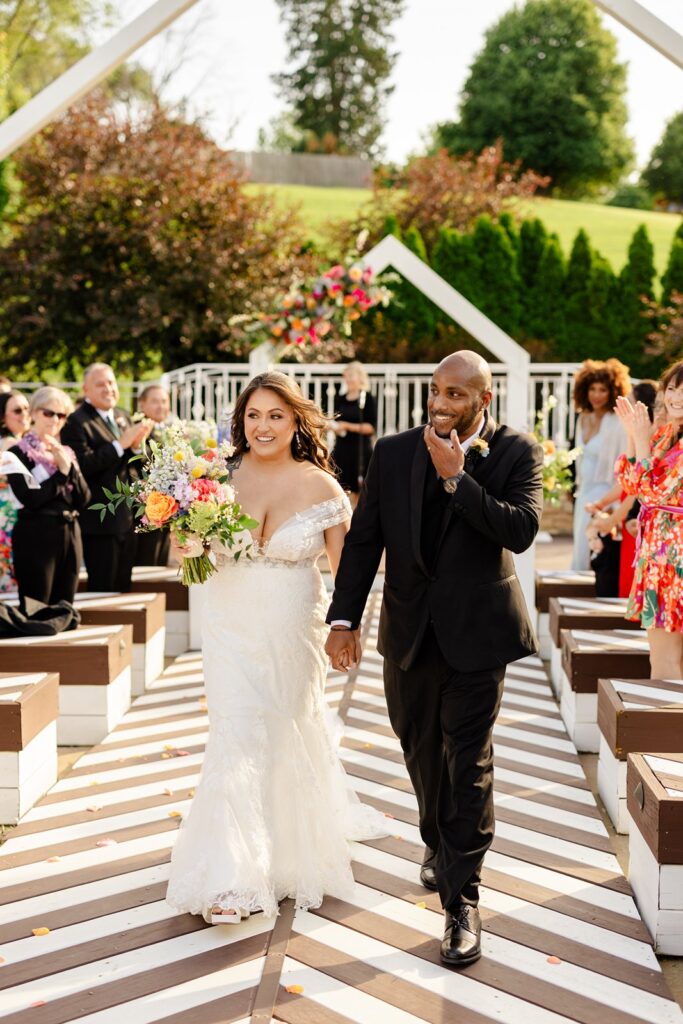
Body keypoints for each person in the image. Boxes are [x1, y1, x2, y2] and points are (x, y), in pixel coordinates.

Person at [325, 351, 543, 968]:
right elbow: (365, 541)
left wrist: (457, 480)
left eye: (456, 395)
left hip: (478, 638)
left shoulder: (516, 452)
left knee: (466, 763)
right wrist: (343, 620)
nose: (441, 404)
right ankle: (437, 845)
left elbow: (521, 529)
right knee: (421, 752)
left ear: (484, 400)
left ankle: (462, 902)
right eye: (435, 392)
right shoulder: (393, 454)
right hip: (409, 635)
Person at [166, 371, 387, 925]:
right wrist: (187, 543)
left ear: (296, 422)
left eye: (276, 416)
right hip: (227, 622)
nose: (262, 426)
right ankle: (234, 875)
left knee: (288, 726)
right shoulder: (211, 478)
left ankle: (287, 850)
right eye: (254, 416)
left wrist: (347, 626)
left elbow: (350, 571)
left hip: (294, 627)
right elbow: (189, 561)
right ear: (240, 421)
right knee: (235, 733)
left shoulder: (322, 487)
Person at [615, 359, 683, 679]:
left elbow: (652, 494)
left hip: (675, 558)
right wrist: (633, 436)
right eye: (672, 388)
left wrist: (641, 439)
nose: (676, 397)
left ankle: (667, 727)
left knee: (667, 660)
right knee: (662, 657)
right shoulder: (667, 434)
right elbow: (630, 483)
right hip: (660, 556)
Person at [61, 363, 153, 592]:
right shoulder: (77, 422)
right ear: (86, 390)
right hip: (99, 522)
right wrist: (119, 445)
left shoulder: (122, 415)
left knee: (124, 588)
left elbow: (133, 464)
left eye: (111, 382)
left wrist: (134, 447)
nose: (108, 388)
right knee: (103, 590)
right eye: (100, 384)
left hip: (128, 517)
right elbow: (81, 465)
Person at [6, 387, 91, 610]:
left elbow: (84, 498)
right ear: (33, 413)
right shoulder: (18, 453)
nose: (55, 419)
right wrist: (61, 474)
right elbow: (30, 498)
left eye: (61, 415)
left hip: (70, 533)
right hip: (36, 535)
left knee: (64, 607)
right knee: (37, 608)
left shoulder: (67, 453)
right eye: (49, 413)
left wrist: (67, 467)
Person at [571, 359, 630, 571]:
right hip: (583, 492)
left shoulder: (617, 422)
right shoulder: (582, 417)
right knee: (579, 547)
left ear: (613, 391)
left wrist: (612, 504)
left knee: (596, 552)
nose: (597, 395)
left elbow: (625, 462)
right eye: (592, 389)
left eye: (603, 389)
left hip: (605, 494)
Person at [134, 384, 173, 566]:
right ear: (142, 404)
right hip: (145, 508)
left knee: (162, 560)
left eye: (164, 401)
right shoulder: (138, 431)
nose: (161, 406)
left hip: (169, 507)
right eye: (155, 401)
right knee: (147, 561)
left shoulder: (172, 432)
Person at [330, 362, 376, 504]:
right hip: (342, 449)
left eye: (351, 376)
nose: (348, 379)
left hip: (359, 450)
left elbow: (370, 428)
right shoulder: (341, 398)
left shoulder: (367, 398)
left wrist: (348, 426)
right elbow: (336, 421)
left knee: (359, 491)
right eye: (346, 376)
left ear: (360, 377)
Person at [0, 390, 31, 593]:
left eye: (27, 408)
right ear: (3, 417)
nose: (25, 414)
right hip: (8, 517)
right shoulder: (11, 444)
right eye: (17, 410)